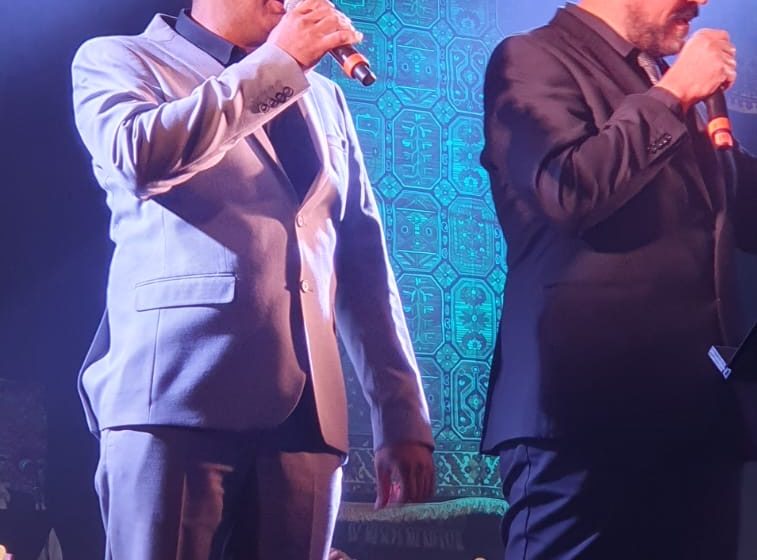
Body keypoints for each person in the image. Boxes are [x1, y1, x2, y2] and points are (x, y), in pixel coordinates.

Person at [71, 1, 436, 558]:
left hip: (307, 418)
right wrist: (279, 63)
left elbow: (362, 259)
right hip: (177, 400)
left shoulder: (325, 97)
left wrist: (400, 410)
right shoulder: (122, 58)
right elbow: (138, 156)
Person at [480, 0, 757, 558]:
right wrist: (673, 94)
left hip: (698, 422)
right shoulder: (531, 57)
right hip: (584, 419)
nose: (701, 2)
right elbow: (568, 187)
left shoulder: (663, 83)